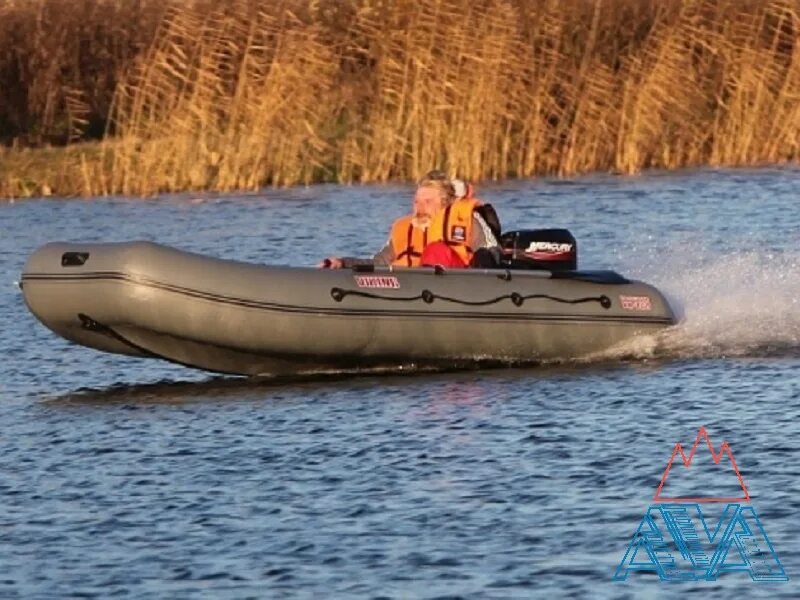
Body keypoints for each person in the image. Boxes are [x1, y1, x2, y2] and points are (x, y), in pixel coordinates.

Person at [319, 171, 500, 269]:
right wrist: (343, 263)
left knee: (436, 251)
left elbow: (492, 250)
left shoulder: (466, 217)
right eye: (416, 202)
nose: (419, 208)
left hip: (461, 287)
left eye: (428, 202)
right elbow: (378, 264)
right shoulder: (404, 229)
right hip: (412, 291)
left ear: (446, 204)